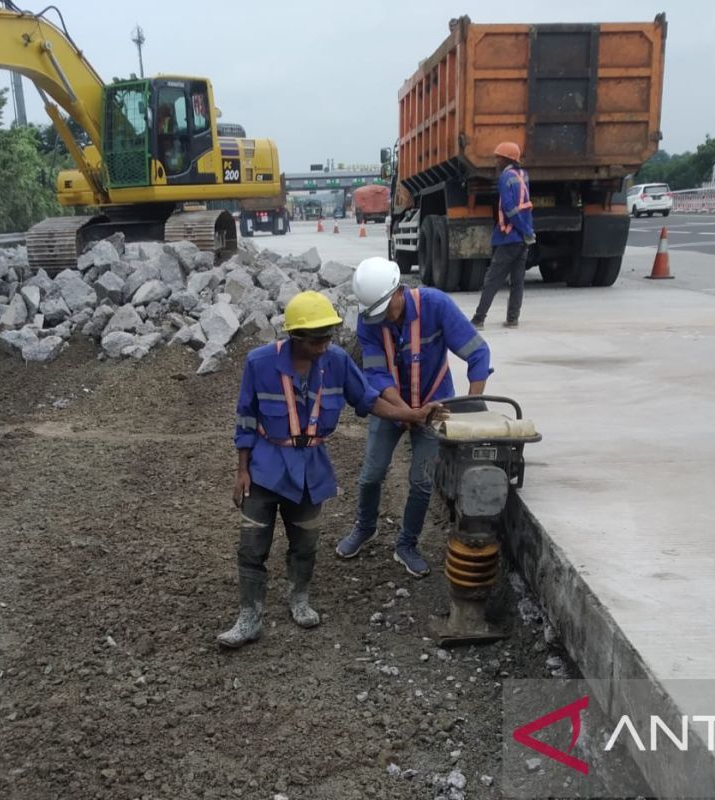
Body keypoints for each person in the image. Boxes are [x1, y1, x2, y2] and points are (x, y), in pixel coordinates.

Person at [220, 291, 445, 649]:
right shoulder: (259, 363)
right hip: (264, 468)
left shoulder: (336, 361)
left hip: (311, 469)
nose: (325, 345)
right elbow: (245, 418)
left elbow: (369, 400)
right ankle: (249, 616)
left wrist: (412, 415)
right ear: (295, 338)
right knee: (251, 546)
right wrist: (241, 470)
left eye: (328, 337)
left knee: (305, 542)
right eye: (316, 339)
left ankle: (299, 599)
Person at [335, 257, 492, 578]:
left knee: (421, 481)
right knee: (371, 473)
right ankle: (365, 528)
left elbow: (478, 352)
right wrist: (405, 412)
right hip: (393, 406)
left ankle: (407, 544)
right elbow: (377, 375)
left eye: (387, 311)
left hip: (436, 405)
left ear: (398, 292)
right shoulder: (370, 320)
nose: (384, 320)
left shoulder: (436, 305)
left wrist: (471, 405)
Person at [471, 141, 535, 329]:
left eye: (499, 157)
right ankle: (512, 318)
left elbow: (509, 208)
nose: (496, 160)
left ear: (506, 158)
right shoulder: (524, 175)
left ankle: (479, 318)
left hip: (509, 236)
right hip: (524, 238)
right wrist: (528, 232)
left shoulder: (505, 177)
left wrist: (522, 229)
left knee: (492, 279)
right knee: (517, 281)